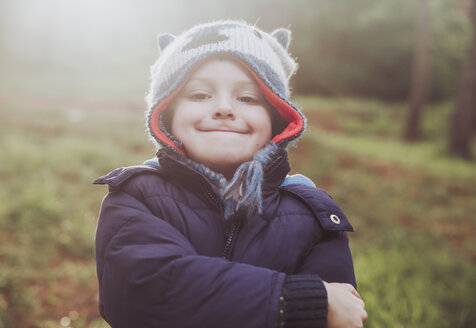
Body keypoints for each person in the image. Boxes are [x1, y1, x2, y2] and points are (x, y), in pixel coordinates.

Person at [93, 20, 367, 328]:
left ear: (276, 119)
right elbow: (144, 292)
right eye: (199, 95)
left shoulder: (312, 214)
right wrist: (300, 302)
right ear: (166, 113)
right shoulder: (136, 197)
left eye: (247, 98)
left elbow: (340, 314)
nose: (224, 108)